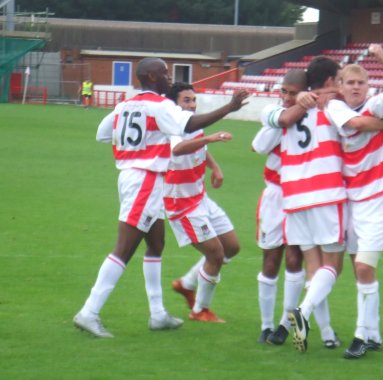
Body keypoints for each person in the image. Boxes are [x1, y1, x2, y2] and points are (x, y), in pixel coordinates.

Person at [73, 58, 249, 338]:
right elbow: (190, 123)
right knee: (124, 249)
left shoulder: (124, 104)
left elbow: (103, 135)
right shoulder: (161, 105)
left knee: (156, 244)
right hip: (145, 179)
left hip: (136, 178)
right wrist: (230, 107)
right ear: (153, 76)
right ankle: (89, 312)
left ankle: (157, 314)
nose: (169, 78)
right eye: (165, 74)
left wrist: (136, 146)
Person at [270, 56, 383, 353]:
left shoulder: (284, 111)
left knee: (314, 269)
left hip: (292, 196)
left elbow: (259, 145)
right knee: (334, 267)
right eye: (340, 79)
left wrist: (297, 100)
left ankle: (323, 332)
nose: (344, 85)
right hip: (326, 194)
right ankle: (302, 313)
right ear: (330, 81)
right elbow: (362, 123)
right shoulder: (331, 110)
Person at [326, 44, 383, 359]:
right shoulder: (337, 109)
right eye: (350, 83)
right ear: (340, 87)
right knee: (359, 270)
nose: (356, 88)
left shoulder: (376, 104)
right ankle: (374, 334)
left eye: (361, 83)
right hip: (351, 201)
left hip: (377, 197)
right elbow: (356, 125)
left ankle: (360, 336)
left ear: (368, 87)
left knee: (363, 266)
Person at [254, 70, 341, 349]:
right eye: (284, 92)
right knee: (270, 261)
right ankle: (266, 325)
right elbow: (258, 145)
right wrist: (284, 119)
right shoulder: (279, 115)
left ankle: (284, 323)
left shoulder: (316, 116)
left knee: (296, 261)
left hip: (297, 195)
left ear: (306, 91)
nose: (288, 97)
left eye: (294, 92)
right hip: (276, 195)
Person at [164, 82, 242, 323]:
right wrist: (212, 136)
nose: (191, 105)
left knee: (232, 247)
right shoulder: (170, 126)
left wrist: (215, 167)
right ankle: (200, 310)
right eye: (186, 100)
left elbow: (200, 145)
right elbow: (178, 149)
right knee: (216, 254)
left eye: (193, 100)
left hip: (200, 198)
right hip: (181, 205)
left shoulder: (193, 124)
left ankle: (186, 284)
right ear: (174, 104)